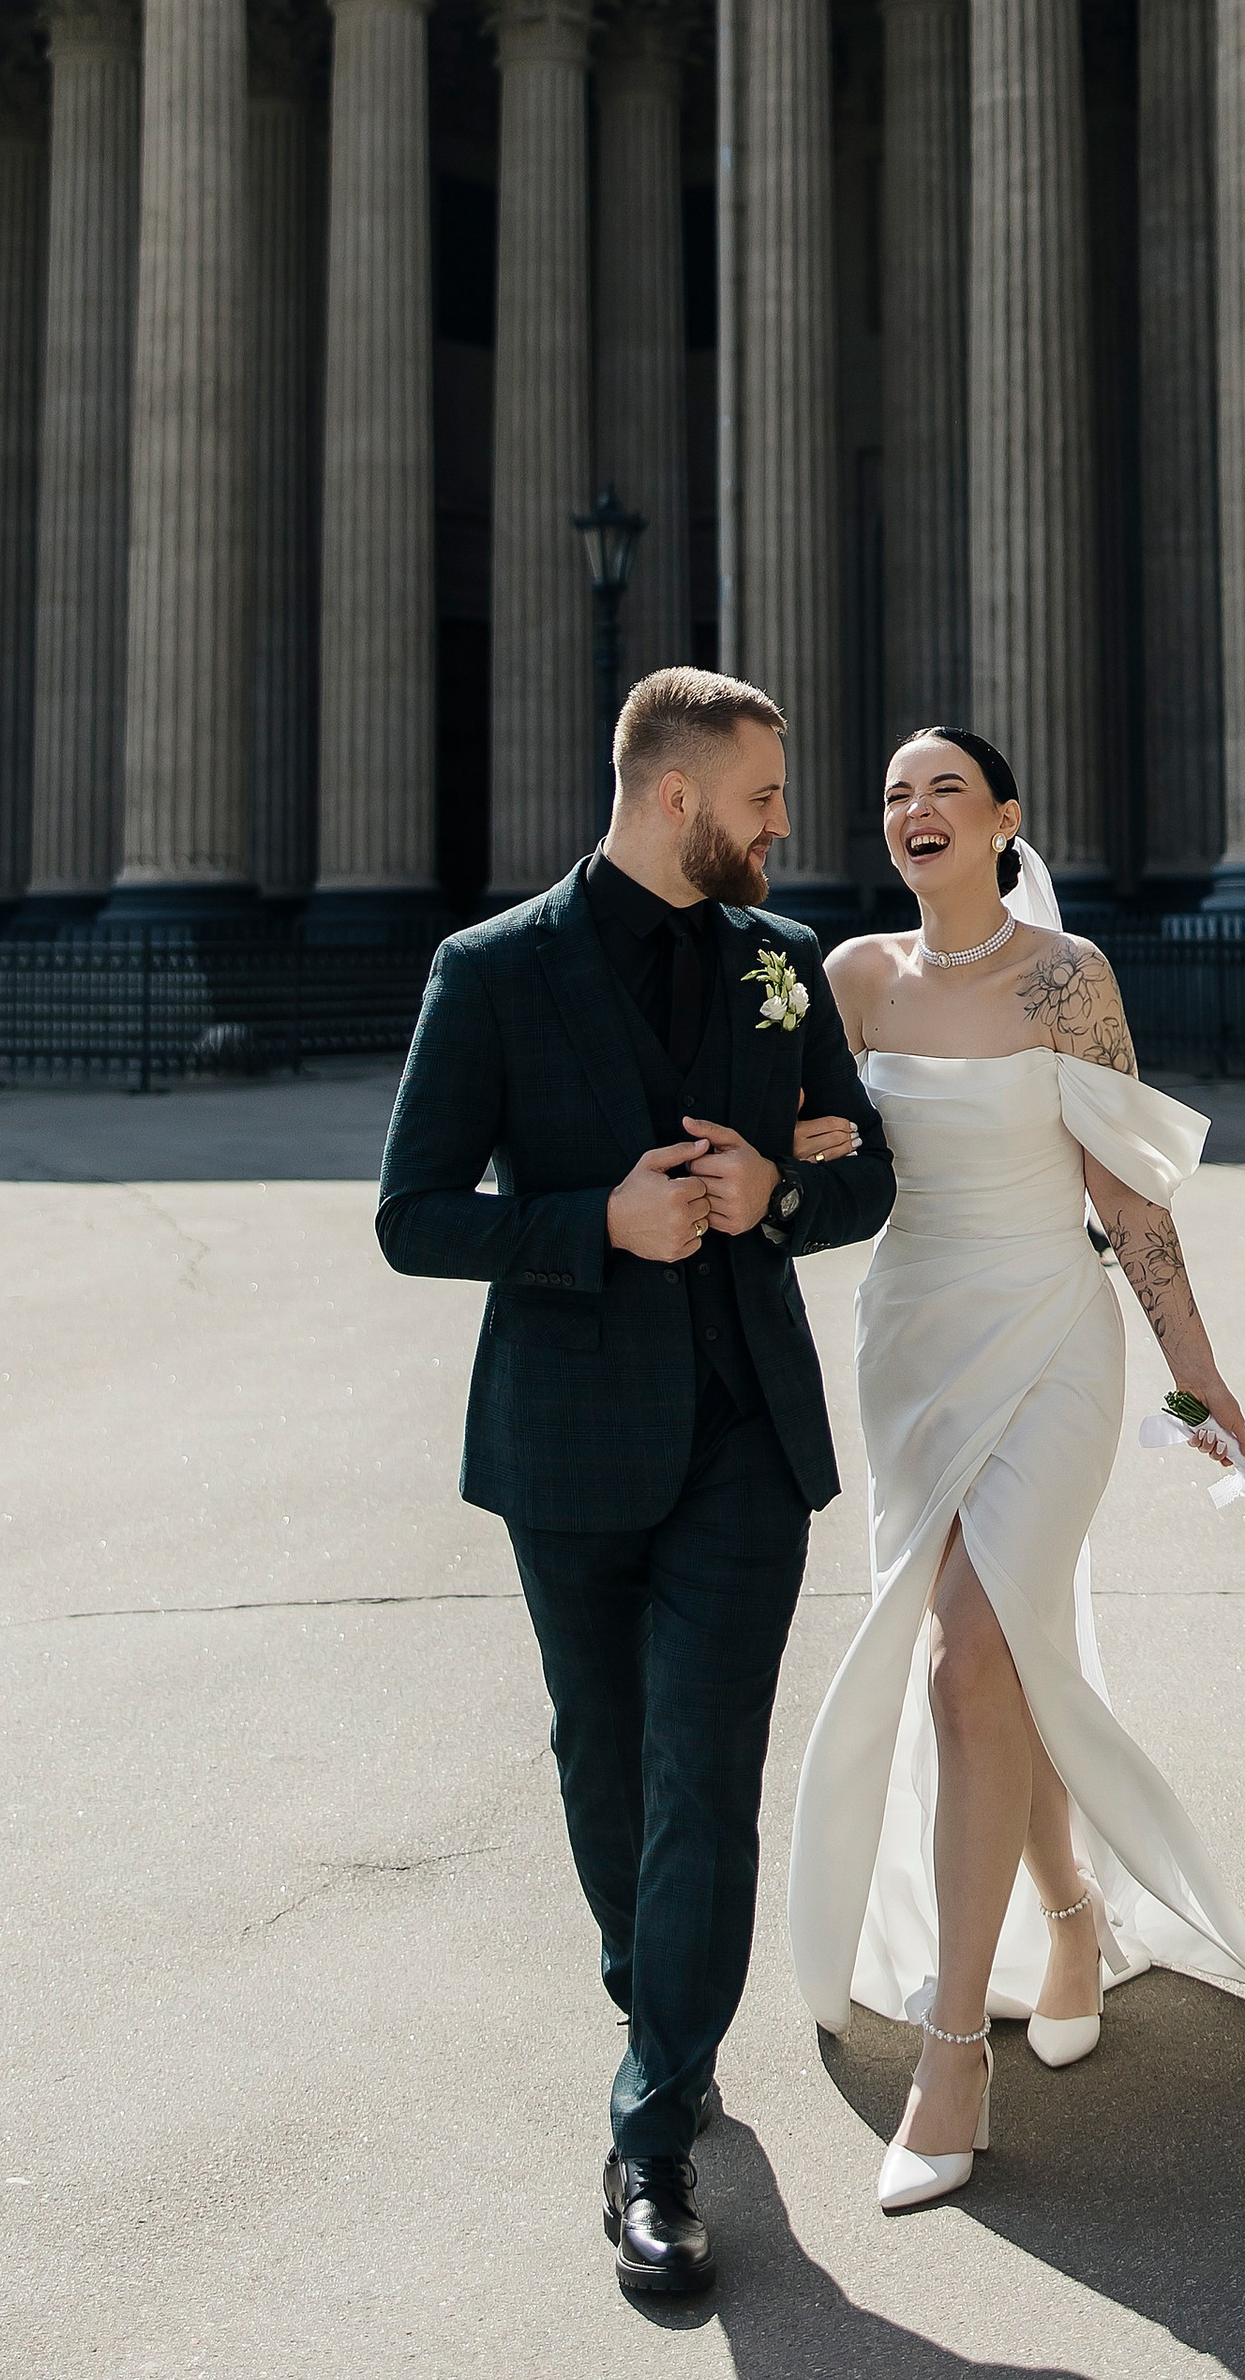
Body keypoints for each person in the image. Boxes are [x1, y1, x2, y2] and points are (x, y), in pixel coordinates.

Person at [375, 670, 894, 2306]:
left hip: (743, 1438)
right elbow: (413, 1214)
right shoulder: (494, 971)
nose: (783, 825)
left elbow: (864, 1167)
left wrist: (771, 1199)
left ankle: (653, 2131)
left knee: (700, 1776)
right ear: (677, 798)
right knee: (602, 1757)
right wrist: (589, 1224)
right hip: (569, 1440)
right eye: (762, 798)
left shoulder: (781, 966)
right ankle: (653, 1997)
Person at [782, 725, 1245, 2214]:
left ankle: (956, 2056)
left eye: (945, 787)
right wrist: (806, 1143)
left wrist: (1200, 1377)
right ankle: (1072, 1917)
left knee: (963, 1666)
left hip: (1051, 1343)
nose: (914, 810)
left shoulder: (1067, 980)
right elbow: (831, 1166)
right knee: (991, 1663)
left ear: (1008, 818)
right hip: (912, 1350)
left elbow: (1129, 1200)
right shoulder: (852, 979)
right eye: (893, 793)